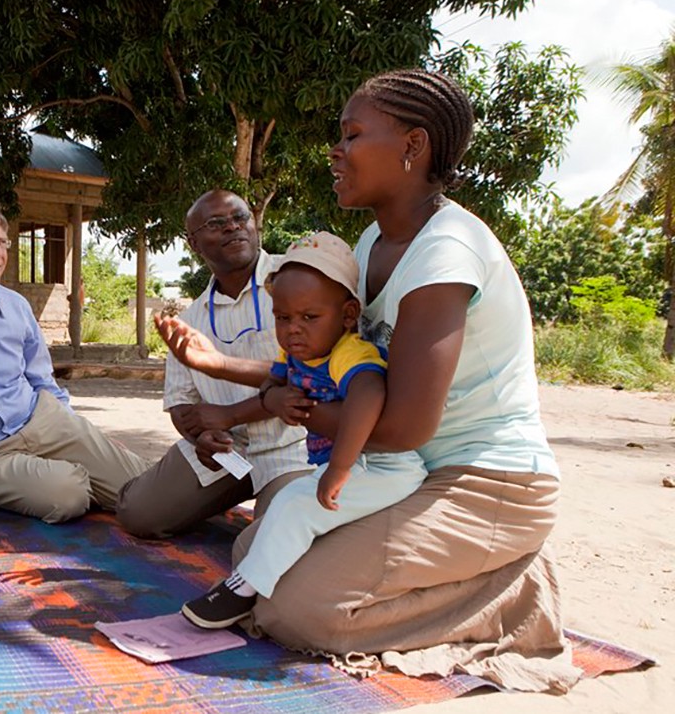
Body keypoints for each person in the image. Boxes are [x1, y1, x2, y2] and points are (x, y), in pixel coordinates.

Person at [156, 70, 575, 692]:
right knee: (257, 557)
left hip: (490, 483)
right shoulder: (376, 239)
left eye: (351, 135)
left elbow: (403, 425)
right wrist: (225, 369)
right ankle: (446, 571)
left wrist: (282, 406)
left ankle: (510, 592)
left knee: (295, 610)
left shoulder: (446, 254)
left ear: (413, 147)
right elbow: (330, 368)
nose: (336, 150)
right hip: (404, 472)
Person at [180, 231, 426, 629]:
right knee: (288, 506)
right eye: (283, 318)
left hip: (384, 467)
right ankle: (250, 581)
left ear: (347, 316)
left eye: (309, 317)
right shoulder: (298, 349)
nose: (293, 329)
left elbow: (368, 397)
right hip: (353, 464)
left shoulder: (351, 353)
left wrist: (340, 469)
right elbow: (274, 380)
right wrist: (271, 393)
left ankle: (242, 591)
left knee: (296, 505)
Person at [0, 198, 151, 523]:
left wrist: (75, 428)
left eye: (2, 242)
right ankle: (75, 480)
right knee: (67, 495)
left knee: (147, 488)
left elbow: (42, 380)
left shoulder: (16, 306)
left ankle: (90, 477)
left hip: (43, 421)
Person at [115, 189, 310, 539]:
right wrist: (202, 437)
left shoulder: (298, 279)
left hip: (296, 447)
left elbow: (314, 377)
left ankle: (272, 510)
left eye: (240, 218)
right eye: (216, 224)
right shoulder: (191, 319)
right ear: (193, 242)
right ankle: (225, 498)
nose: (233, 228)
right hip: (228, 451)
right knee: (138, 513)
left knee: (271, 546)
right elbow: (181, 403)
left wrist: (230, 414)